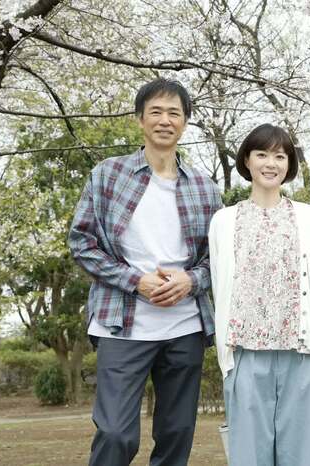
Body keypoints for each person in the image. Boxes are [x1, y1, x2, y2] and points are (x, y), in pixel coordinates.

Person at [68, 78, 222, 466]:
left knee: (177, 434)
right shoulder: (108, 175)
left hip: (184, 326)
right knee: (115, 434)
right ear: (140, 119)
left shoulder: (205, 188)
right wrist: (135, 281)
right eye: (155, 111)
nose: (164, 120)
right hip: (121, 324)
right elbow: (82, 243)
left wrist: (191, 281)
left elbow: (219, 258)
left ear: (185, 122)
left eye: (174, 113)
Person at [208, 123, 310, 466]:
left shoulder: (309, 217)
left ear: (289, 164)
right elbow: (219, 283)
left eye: (280, 156)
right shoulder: (223, 221)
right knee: (249, 458)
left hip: (301, 352)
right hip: (245, 354)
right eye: (262, 154)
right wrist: (226, 357)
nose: (271, 163)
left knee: (306, 457)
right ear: (247, 160)